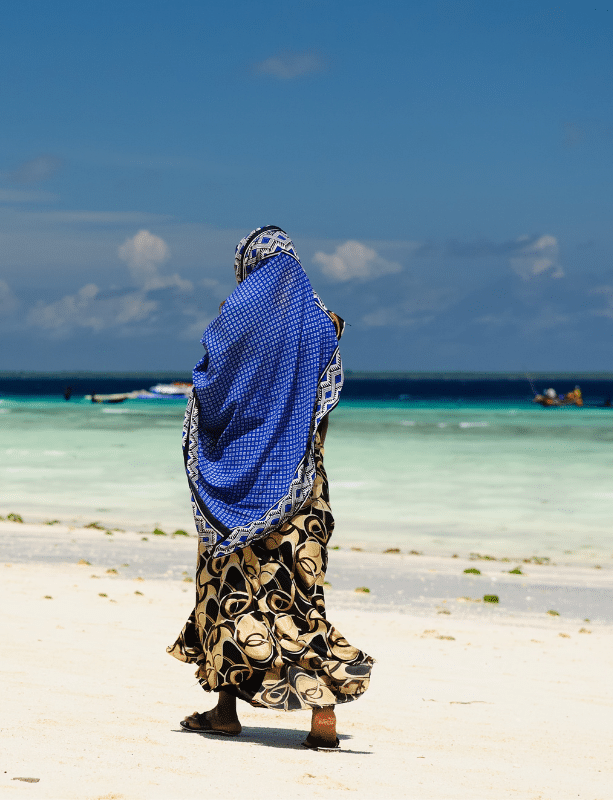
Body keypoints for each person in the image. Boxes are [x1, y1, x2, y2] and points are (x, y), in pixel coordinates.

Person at [167, 226, 373, 751]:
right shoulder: (323, 324)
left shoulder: (233, 319)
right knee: (300, 599)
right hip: (303, 494)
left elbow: (209, 388)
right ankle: (322, 715)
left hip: (236, 494)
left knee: (228, 595)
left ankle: (224, 710)